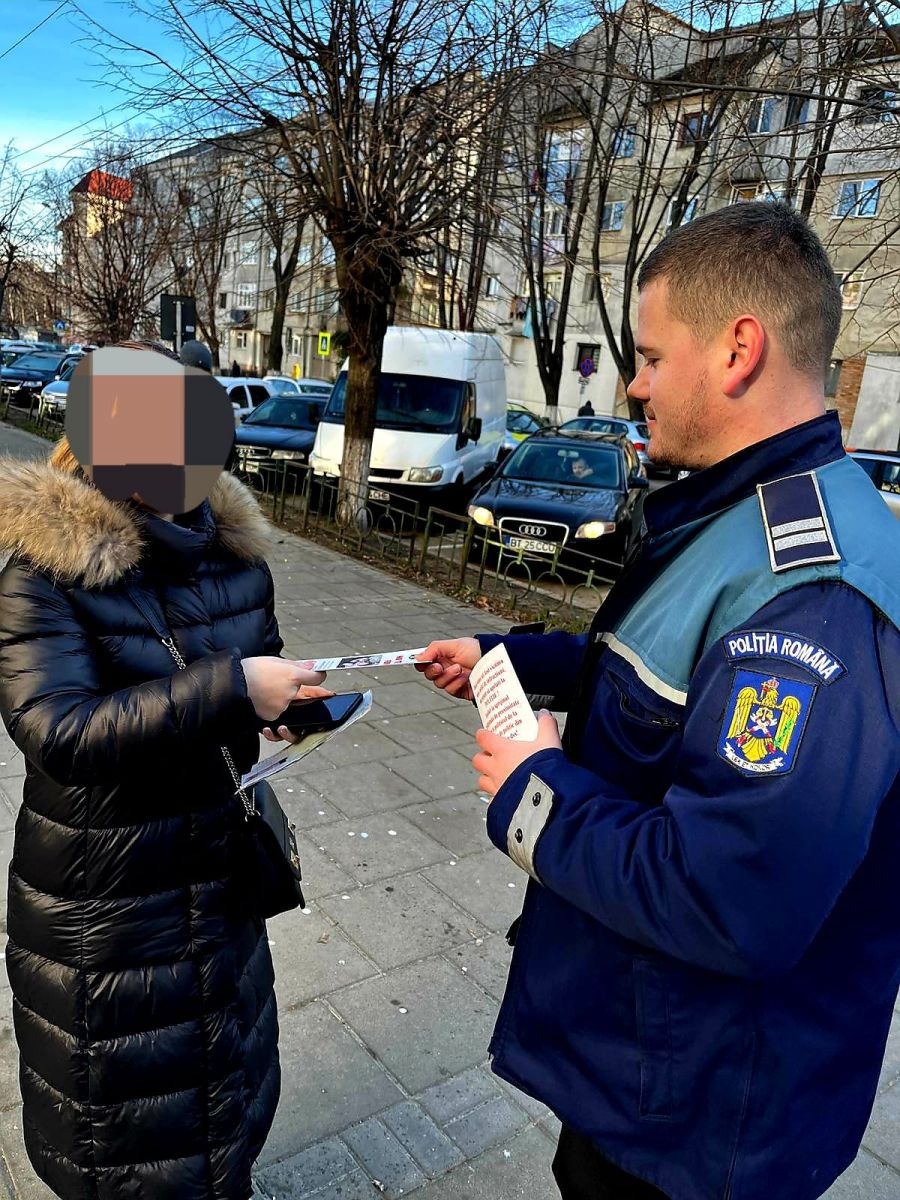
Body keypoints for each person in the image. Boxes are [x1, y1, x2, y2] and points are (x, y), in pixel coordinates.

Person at [417, 202, 900, 1200]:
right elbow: (664, 672)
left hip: (700, 1125)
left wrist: (537, 794)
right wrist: (508, 656)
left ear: (737, 351)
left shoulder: (814, 596)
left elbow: (734, 899)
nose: (632, 384)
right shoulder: (742, 513)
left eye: (647, 356)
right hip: (653, 1079)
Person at [0, 341, 331, 1199]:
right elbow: (56, 729)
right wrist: (230, 689)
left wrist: (285, 707)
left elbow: (259, 662)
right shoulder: (45, 570)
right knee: (130, 1136)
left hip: (219, 884)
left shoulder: (234, 555)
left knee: (223, 1099)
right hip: (111, 907)